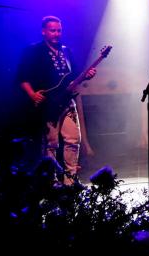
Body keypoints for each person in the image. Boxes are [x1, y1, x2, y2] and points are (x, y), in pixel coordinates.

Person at [17, 16, 95, 185]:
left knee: (74, 139)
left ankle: (70, 180)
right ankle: (51, 181)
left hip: (67, 101)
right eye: (53, 30)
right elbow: (22, 77)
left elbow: (75, 76)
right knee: (51, 143)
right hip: (48, 105)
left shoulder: (66, 51)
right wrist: (32, 94)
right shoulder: (33, 51)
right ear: (43, 32)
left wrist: (86, 76)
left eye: (59, 30)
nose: (57, 34)